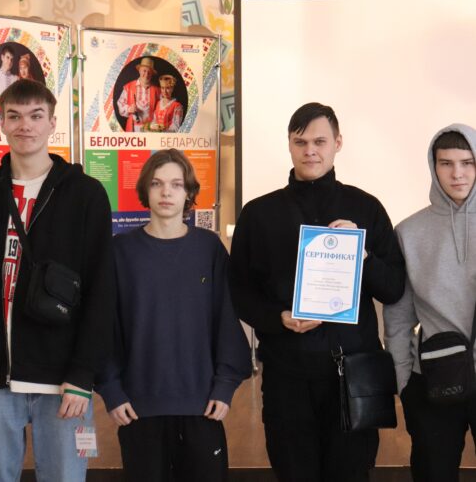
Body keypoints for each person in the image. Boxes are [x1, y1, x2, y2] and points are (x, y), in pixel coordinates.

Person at [229, 102, 405, 482]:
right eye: (300, 142)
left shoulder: (366, 208)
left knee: (351, 473)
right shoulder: (258, 214)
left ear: (337, 143)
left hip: (352, 376)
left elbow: (393, 288)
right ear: (289, 145)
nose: (310, 150)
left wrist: (362, 255)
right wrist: (277, 317)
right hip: (286, 376)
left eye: (320, 141)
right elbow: (239, 292)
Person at [0, 79, 115, 482]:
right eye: (14, 116)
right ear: (1, 123)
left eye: (36, 116)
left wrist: (83, 375)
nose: (25, 126)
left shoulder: (86, 194)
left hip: (63, 381)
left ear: (53, 123)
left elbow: (101, 290)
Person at [96, 148, 251, 482]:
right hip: (137, 409)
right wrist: (111, 389)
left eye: (176, 184)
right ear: (145, 190)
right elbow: (104, 326)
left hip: (203, 407)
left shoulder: (209, 248)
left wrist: (225, 385)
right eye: (157, 183)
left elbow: (227, 320)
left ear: (188, 192)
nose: (166, 192)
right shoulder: (121, 251)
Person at [384, 125, 476, 482]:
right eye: (446, 163)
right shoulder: (409, 231)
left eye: (467, 163)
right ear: (433, 166)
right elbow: (398, 315)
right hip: (433, 378)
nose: (457, 174)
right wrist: (404, 380)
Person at [117, 56, 160, 132]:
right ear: (139, 70)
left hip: (150, 129)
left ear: (152, 74)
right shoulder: (129, 87)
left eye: (149, 72)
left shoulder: (157, 90)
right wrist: (129, 109)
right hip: (133, 128)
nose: (146, 74)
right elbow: (120, 104)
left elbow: (161, 109)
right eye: (144, 71)